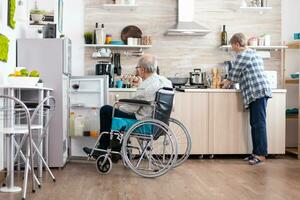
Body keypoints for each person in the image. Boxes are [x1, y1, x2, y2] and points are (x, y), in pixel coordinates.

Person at [83, 54, 172, 160]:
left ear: (142, 69)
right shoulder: (166, 82)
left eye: (138, 68)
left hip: (143, 122)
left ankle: (103, 149)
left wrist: (119, 107)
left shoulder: (146, 85)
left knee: (106, 110)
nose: (138, 70)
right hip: (159, 124)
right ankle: (114, 151)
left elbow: (132, 108)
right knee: (115, 113)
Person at [221, 33, 272, 165]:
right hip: (258, 91)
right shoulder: (252, 53)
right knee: (255, 124)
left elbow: (233, 76)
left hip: (257, 91)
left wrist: (223, 85)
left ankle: (260, 155)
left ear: (237, 44)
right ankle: (256, 153)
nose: (233, 49)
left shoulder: (243, 55)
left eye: (233, 47)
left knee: (258, 124)